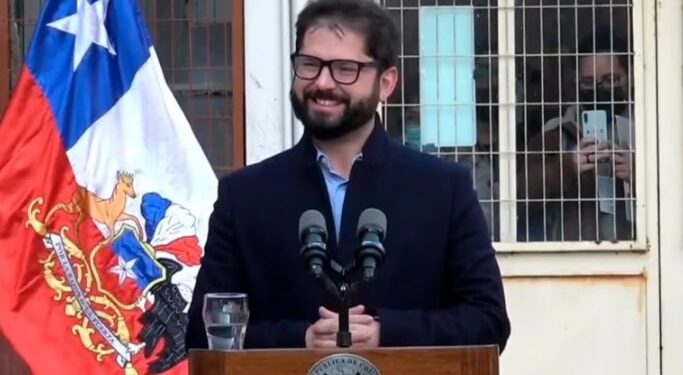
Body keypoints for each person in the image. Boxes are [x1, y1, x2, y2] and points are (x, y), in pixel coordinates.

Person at [185, 0, 510, 351]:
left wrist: (388, 333)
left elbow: (488, 321)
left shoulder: (443, 190)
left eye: (344, 69)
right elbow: (204, 335)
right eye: (309, 65)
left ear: (386, 83)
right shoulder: (245, 196)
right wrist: (301, 339)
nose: (322, 83)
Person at [519, 27, 634, 241]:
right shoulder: (557, 133)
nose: (600, 89)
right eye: (588, 83)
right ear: (576, 81)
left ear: (631, 77)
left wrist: (640, 175)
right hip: (575, 262)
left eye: (611, 80)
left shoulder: (654, 130)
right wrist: (567, 167)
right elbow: (515, 199)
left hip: (638, 258)